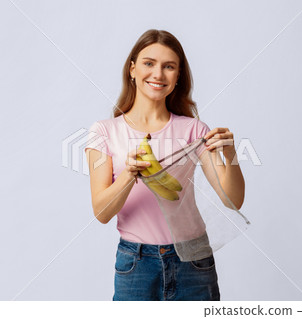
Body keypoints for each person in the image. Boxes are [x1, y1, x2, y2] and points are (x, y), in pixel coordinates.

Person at [85, 29, 245, 301]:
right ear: (132, 69)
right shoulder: (104, 132)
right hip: (136, 263)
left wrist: (230, 155)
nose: (158, 74)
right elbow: (101, 212)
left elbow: (232, 201)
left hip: (193, 259)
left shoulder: (194, 130)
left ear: (178, 76)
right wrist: (129, 175)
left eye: (169, 66)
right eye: (149, 63)